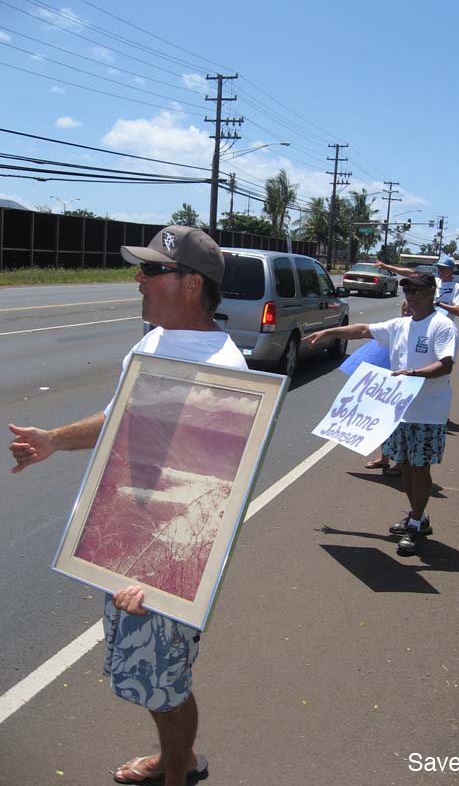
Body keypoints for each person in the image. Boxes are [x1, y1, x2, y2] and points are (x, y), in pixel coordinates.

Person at [8, 226, 247, 786]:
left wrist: (159, 577)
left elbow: (211, 495)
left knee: (166, 683)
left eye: (151, 271)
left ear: (191, 285)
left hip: (160, 560)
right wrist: (54, 439)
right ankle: (176, 759)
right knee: (150, 679)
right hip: (125, 547)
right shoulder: (154, 342)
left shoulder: (225, 370)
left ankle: (177, 772)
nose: (137, 280)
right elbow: (122, 417)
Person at [306, 272, 459, 555]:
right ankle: (418, 517)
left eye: (417, 289)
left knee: (419, 468)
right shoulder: (400, 325)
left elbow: (446, 364)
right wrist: (329, 332)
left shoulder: (442, 325)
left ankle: (415, 523)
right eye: (407, 288)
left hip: (428, 412)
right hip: (399, 410)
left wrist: (413, 373)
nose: (410, 294)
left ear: (431, 292)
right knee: (402, 466)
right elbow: (363, 329)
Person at [364, 299, 411, 476]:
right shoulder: (395, 329)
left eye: (410, 311)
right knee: (384, 422)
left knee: (400, 426)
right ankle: (384, 458)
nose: (407, 314)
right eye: (405, 311)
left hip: (407, 385)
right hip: (388, 383)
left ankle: (399, 463)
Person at [375, 253, 459, 321]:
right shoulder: (433, 280)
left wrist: (437, 304)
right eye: (439, 268)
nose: (440, 271)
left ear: (451, 271)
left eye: (444, 268)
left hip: (443, 326)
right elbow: (410, 273)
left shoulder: (457, 287)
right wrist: (386, 266)